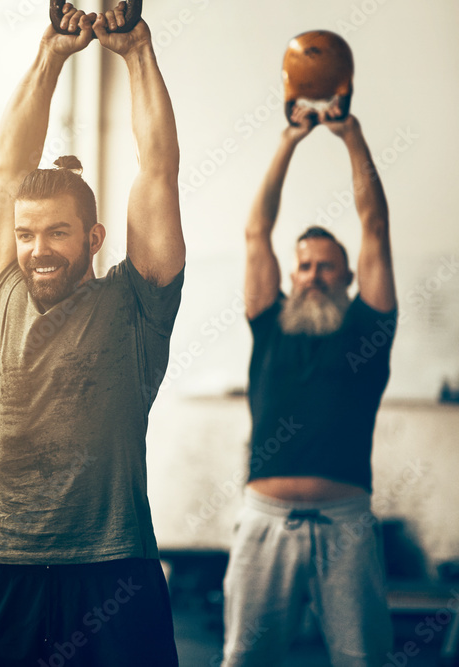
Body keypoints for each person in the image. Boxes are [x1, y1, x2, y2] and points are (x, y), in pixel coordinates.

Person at [0, 3, 185, 665]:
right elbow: (7, 169)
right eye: (26, 235)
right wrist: (52, 54)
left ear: (93, 237)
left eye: (57, 232)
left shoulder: (133, 304)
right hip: (5, 563)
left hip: (113, 565)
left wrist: (136, 50)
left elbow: (159, 170)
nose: (38, 249)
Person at [222, 106, 397, 665]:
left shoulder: (368, 330)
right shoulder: (268, 325)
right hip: (263, 525)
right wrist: (289, 141)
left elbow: (375, 226)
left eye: (327, 266)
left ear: (348, 277)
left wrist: (353, 136)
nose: (314, 275)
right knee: (243, 660)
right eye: (305, 266)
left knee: (362, 660)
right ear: (290, 276)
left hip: (346, 527)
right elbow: (256, 232)